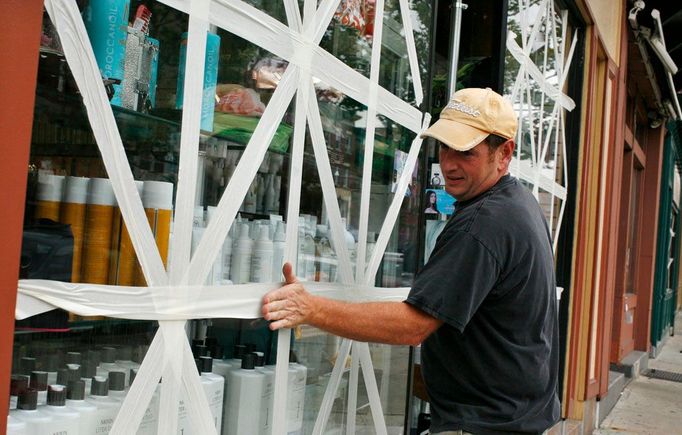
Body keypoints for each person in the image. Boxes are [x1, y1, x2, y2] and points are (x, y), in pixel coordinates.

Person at [262, 88, 560, 434]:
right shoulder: (519, 203)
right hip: (513, 417)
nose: (449, 163)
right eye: (445, 146)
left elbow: (413, 325)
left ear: (504, 153)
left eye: (465, 152)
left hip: (484, 425)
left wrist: (310, 309)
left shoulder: (484, 223)